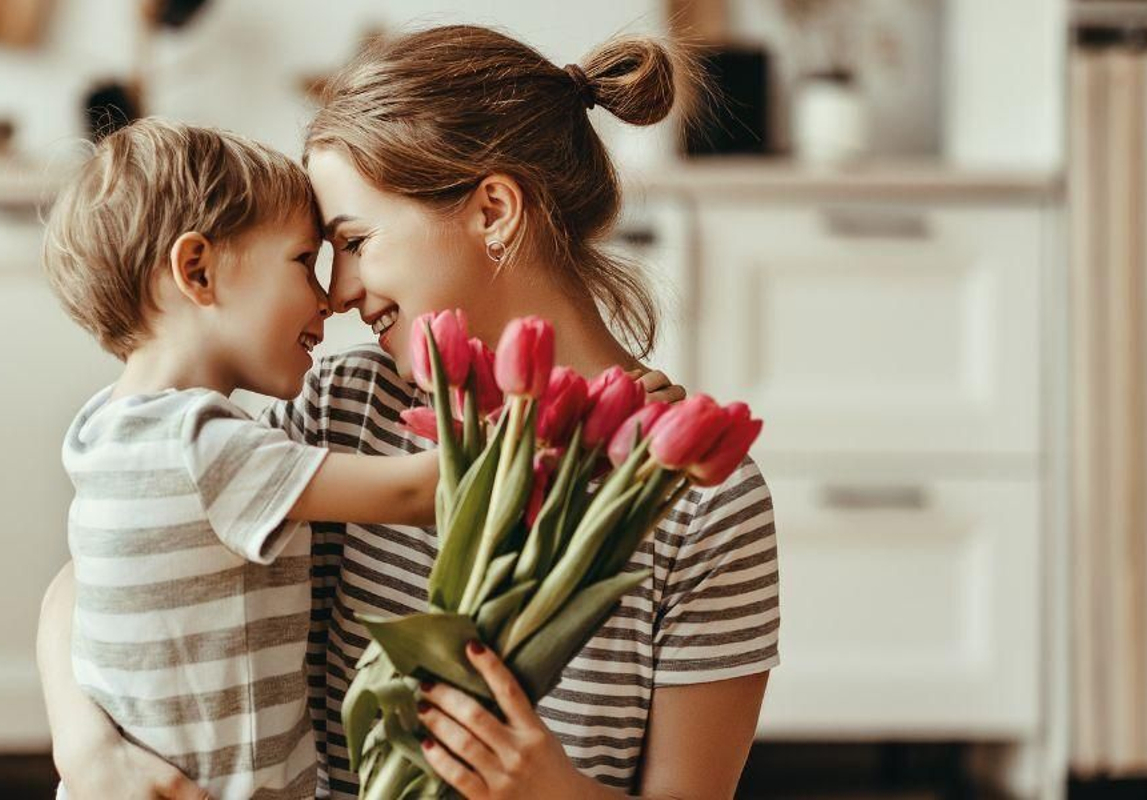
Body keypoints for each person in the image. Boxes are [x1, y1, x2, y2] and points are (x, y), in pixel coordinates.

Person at [41, 24, 778, 800]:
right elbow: (112, 561)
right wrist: (86, 750)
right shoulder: (349, 409)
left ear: (493, 210)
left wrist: (547, 789)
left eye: (354, 241)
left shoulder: (700, 497)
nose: (338, 294)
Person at [40, 118, 439, 799]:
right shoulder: (205, 447)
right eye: (302, 260)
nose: (326, 298)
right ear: (197, 270)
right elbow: (409, 493)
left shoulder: (104, 428)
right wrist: (550, 410)